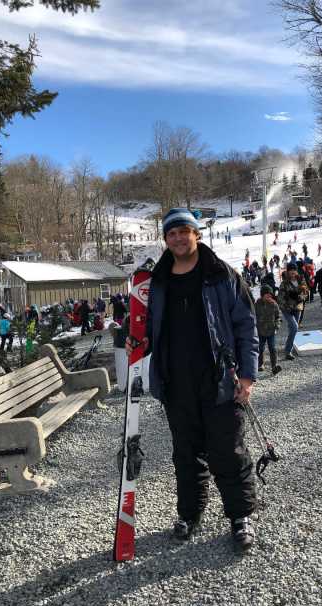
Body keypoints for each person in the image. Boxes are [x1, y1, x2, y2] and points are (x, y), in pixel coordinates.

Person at [127, 207, 258, 552]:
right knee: (185, 455)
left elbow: (246, 325)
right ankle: (189, 513)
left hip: (219, 379)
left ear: (197, 233)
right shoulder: (158, 280)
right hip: (176, 382)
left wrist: (247, 376)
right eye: (172, 234)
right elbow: (151, 328)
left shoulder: (221, 274)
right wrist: (138, 342)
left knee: (227, 451)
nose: (178, 238)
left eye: (184, 231)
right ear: (166, 240)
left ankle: (240, 516)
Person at [277, 263, 309, 360]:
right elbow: (280, 298)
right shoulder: (284, 283)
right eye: (290, 271)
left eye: (294, 270)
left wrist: (300, 298)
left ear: (296, 271)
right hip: (287, 309)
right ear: (287, 271)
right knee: (294, 327)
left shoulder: (301, 280)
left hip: (298, 307)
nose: (292, 273)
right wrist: (287, 304)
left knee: (293, 330)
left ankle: (288, 350)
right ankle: (288, 351)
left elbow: (306, 292)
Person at [255, 284, 282, 375]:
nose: (269, 296)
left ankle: (274, 366)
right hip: (260, 331)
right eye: (267, 294)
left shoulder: (274, 304)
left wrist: (277, 326)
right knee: (260, 348)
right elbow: (253, 317)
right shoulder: (256, 304)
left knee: (272, 348)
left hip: (271, 331)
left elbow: (278, 317)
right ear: (262, 295)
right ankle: (260, 364)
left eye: (270, 294)